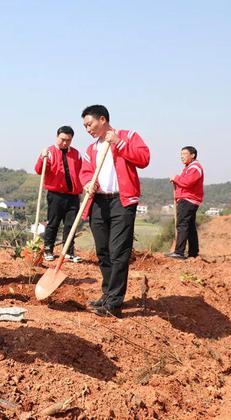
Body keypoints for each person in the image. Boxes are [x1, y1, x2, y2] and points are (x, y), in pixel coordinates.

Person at [80, 105, 150, 318]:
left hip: (122, 201)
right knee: (103, 251)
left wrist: (119, 143)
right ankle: (108, 293)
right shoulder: (92, 149)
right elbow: (85, 172)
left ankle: (115, 303)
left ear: (102, 119)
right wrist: (88, 183)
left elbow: (144, 159)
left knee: (118, 251)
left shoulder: (128, 136)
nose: (88, 129)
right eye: (84, 126)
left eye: (89, 124)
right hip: (99, 202)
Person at [34, 126, 83, 262]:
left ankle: (68, 252)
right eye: (62, 139)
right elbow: (39, 170)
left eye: (68, 140)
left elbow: (81, 172)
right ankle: (48, 250)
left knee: (71, 224)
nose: (65, 143)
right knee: (53, 223)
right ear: (57, 137)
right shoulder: (49, 152)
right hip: (56, 195)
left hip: (73, 195)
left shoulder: (76, 154)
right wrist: (42, 158)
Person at [166, 146, 203, 259]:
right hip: (190, 199)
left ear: (193, 155)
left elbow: (187, 182)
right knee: (190, 227)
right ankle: (193, 252)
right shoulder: (189, 168)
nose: (182, 156)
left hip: (188, 200)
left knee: (182, 225)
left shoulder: (195, 168)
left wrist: (176, 178)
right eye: (181, 154)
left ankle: (179, 252)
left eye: (185, 154)